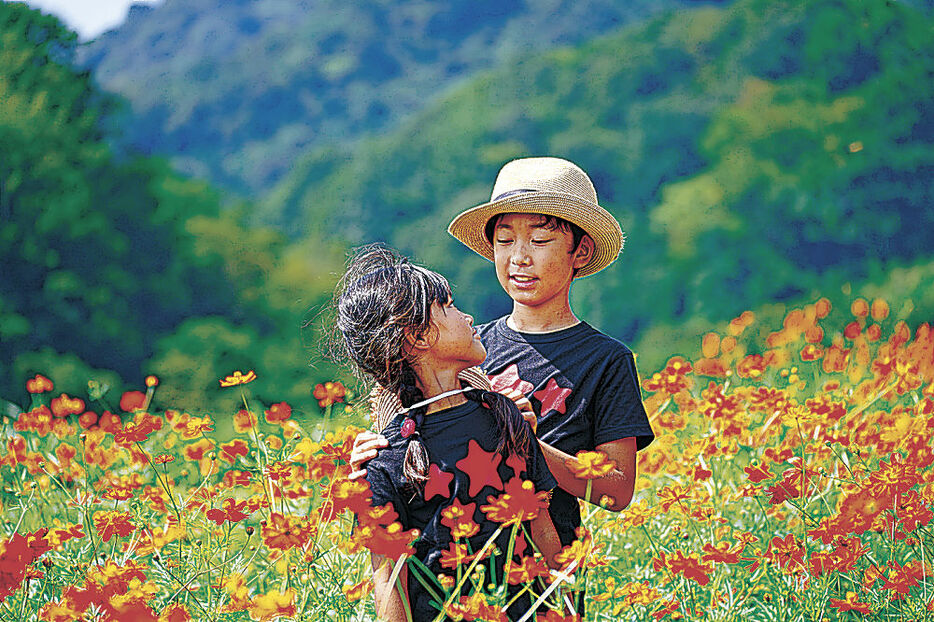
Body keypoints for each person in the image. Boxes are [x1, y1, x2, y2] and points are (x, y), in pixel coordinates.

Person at [350, 157, 656, 610]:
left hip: (544, 583)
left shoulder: (606, 361)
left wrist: (524, 443)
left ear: (581, 252)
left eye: (541, 239)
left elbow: (617, 490)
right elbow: (406, 433)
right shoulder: (468, 347)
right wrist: (371, 451)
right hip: (449, 579)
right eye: (505, 240)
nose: (519, 257)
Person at [332, 245, 563, 622]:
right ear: (420, 336)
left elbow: (543, 530)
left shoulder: (504, 416)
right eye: (452, 306)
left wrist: (564, 602)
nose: (469, 316)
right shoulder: (382, 461)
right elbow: (388, 581)